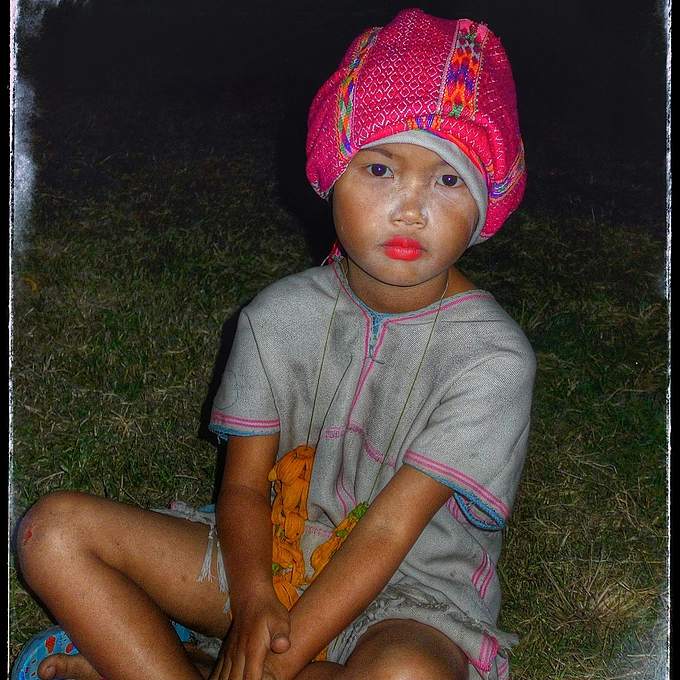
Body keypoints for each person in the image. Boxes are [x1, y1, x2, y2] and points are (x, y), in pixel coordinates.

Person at [13, 8, 534, 680]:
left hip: (409, 597)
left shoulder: (493, 360)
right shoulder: (278, 317)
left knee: (408, 674)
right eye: (380, 169)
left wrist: (270, 662)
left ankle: (168, 664)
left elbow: (386, 533)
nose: (411, 209)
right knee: (51, 532)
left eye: (448, 178)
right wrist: (257, 600)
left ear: (488, 200)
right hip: (269, 554)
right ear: (331, 170)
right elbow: (242, 488)